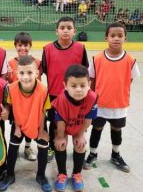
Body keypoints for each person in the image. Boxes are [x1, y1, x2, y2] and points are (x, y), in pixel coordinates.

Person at [84, 22, 140, 173]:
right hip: (100, 104)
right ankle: (92, 154)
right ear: (106, 38)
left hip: (119, 104)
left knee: (117, 129)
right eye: (113, 35)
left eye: (120, 36)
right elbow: (92, 80)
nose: (116, 38)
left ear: (125, 39)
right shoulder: (97, 59)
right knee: (97, 128)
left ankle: (116, 155)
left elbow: (131, 79)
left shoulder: (130, 60)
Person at [0, 56, 51, 192]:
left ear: (37, 73)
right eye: (21, 73)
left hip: (38, 121)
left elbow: (43, 111)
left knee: (43, 147)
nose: (25, 77)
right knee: (13, 148)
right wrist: (15, 124)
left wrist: (41, 131)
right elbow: (11, 106)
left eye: (29, 73)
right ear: (16, 74)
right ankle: (10, 175)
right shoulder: (12, 88)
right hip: (19, 122)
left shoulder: (43, 90)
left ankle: (41, 176)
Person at [41, 17, 89, 163]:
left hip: (76, 95)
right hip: (55, 95)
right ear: (57, 31)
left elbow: (85, 72)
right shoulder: (48, 49)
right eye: (62, 28)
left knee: (75, 122)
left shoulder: (80, 48)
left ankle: (77, 148)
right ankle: (51, 147)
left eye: (69, 27)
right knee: (55, 124)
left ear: (74, 31)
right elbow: (43, 70)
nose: (66, 30)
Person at [51, 64, 97, 192]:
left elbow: (88, 120)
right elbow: (60, 122)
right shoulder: (62, 100)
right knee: (60, 145)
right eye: (73, 86)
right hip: (63, 125)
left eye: (83, 85)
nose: (78, 90)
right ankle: (62, 174)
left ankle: (77, 173)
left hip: (79, 124)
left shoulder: (92, 98)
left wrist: (80, 134)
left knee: (81, 144)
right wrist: (60, 137)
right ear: (65, 86)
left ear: (89, 84)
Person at [7, 32, 41, 162]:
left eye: (26, 45)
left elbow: (39, 80)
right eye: (20, 45)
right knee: (17, 125)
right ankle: (15, 148)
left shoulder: (37, 62)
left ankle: (27, 147)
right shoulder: (10, 63)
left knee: (31, 125)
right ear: (15, 46)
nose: (23, 48)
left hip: (32, 102)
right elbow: (9, 83)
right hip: (17, 103)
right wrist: (8, 76)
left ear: (30, 46)